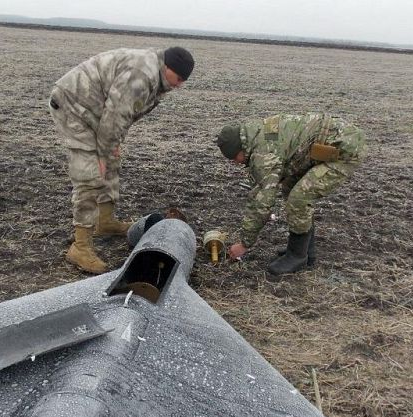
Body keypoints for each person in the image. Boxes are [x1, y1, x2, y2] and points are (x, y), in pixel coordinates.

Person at [49, 46, 195, 274]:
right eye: (178, 78)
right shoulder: (141, 76)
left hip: (96, 110)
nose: (180, 85)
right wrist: (103, 152)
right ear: (167, 67)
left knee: (110, 161)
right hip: (75, 106)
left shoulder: (155, 75)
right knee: (90, 173)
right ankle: (80, 246)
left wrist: (112, 146)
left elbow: (124, 115)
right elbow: (115, 115)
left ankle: (105, 221)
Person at [216, 113, 366, 275]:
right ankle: (307, 251)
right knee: (290, 187)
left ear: (240, 149)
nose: (236, 163)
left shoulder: (262, 154)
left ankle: (297, 256)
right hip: (322, 146)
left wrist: (244, 244)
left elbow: (262, 201)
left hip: (343, 150)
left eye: (234, 158)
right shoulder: (254, 134)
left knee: (299, 199)